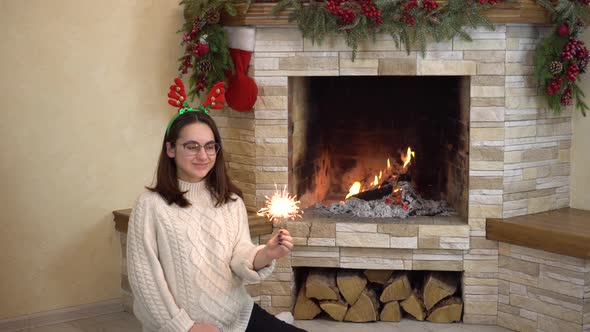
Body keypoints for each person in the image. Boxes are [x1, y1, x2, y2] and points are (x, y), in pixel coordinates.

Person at [127, 80, 306, 332]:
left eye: (210, 146)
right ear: (170, 149)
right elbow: (145, 279)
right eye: (192, 146)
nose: (203, 155)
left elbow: (239, 255)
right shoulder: (150, 206)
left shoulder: (230, 202)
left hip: (238, 316)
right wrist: (185, 327)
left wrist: (266, 254)